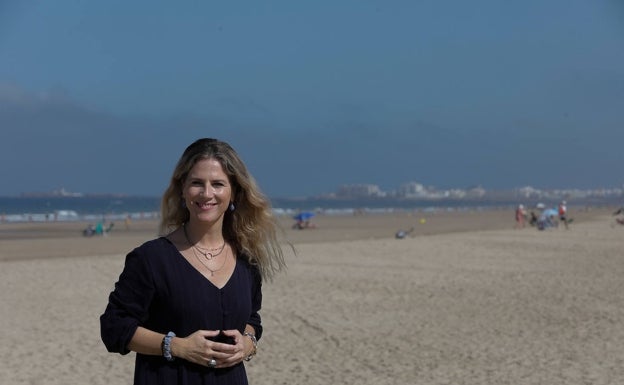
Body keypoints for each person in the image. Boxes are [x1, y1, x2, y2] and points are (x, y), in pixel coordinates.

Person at [100, 138, 287, 385]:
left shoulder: (246, 262)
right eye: (197, 183)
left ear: (234, 193)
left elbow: (252, 319)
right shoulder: (151, 259)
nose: (207, 193)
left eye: (218, 184)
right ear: (182, 190)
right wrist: (177, 346)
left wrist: (247, 343)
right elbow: (114, 327)